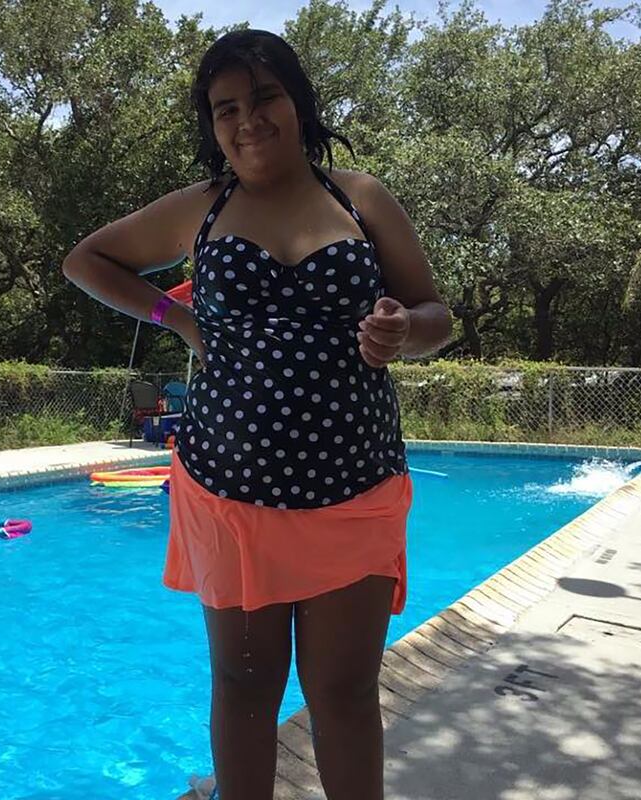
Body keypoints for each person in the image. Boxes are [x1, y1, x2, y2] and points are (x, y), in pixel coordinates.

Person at [63, 29, 452, 800]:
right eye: (226, 108)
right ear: (212, 125)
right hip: (228, 494)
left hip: (354, 489)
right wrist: (177, 319)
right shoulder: (201, 209)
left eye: (265, 97)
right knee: (243, 689)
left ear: (298, 102)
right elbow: (86, 261)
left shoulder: (361, 198)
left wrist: (404, 331)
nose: (248, 120)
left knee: (344, 695)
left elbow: (436, 314)